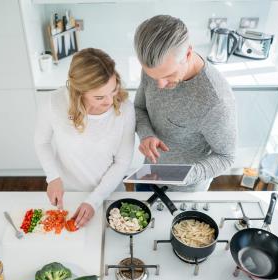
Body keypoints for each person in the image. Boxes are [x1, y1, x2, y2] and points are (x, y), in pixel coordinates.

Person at [133, 15, 237, 192]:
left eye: (168, 76)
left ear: (188, 54)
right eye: (153, 77)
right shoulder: (155, 68)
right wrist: (146, 135)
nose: (160, 85)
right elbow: (139, 108)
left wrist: (182, 175)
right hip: (149, 173)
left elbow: (226, 157)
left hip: (185, 191)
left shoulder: (216, 101)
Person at [35, 48, 135, 227]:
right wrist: (53, 177)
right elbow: (42, 142)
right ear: (79, 92)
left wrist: (94, 200)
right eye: (99, 97)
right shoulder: (54, 103)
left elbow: (122, 161)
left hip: (108, 194)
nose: (110, 101)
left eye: (113, 91)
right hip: (69, 195)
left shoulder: (126, 108)